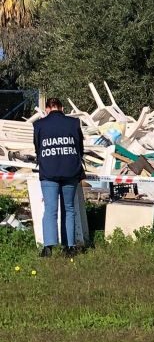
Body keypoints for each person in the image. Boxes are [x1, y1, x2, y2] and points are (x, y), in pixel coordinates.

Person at [33, 98, 85, 258]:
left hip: (49, 172)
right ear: (62, 108)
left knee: (50, 210)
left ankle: (48, 248)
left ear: (47, 109)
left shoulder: (39, 125)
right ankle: (69, 248)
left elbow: (37, 147)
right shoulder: (74, 123)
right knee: (68, 209)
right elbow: (80, 147)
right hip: (70, 171)